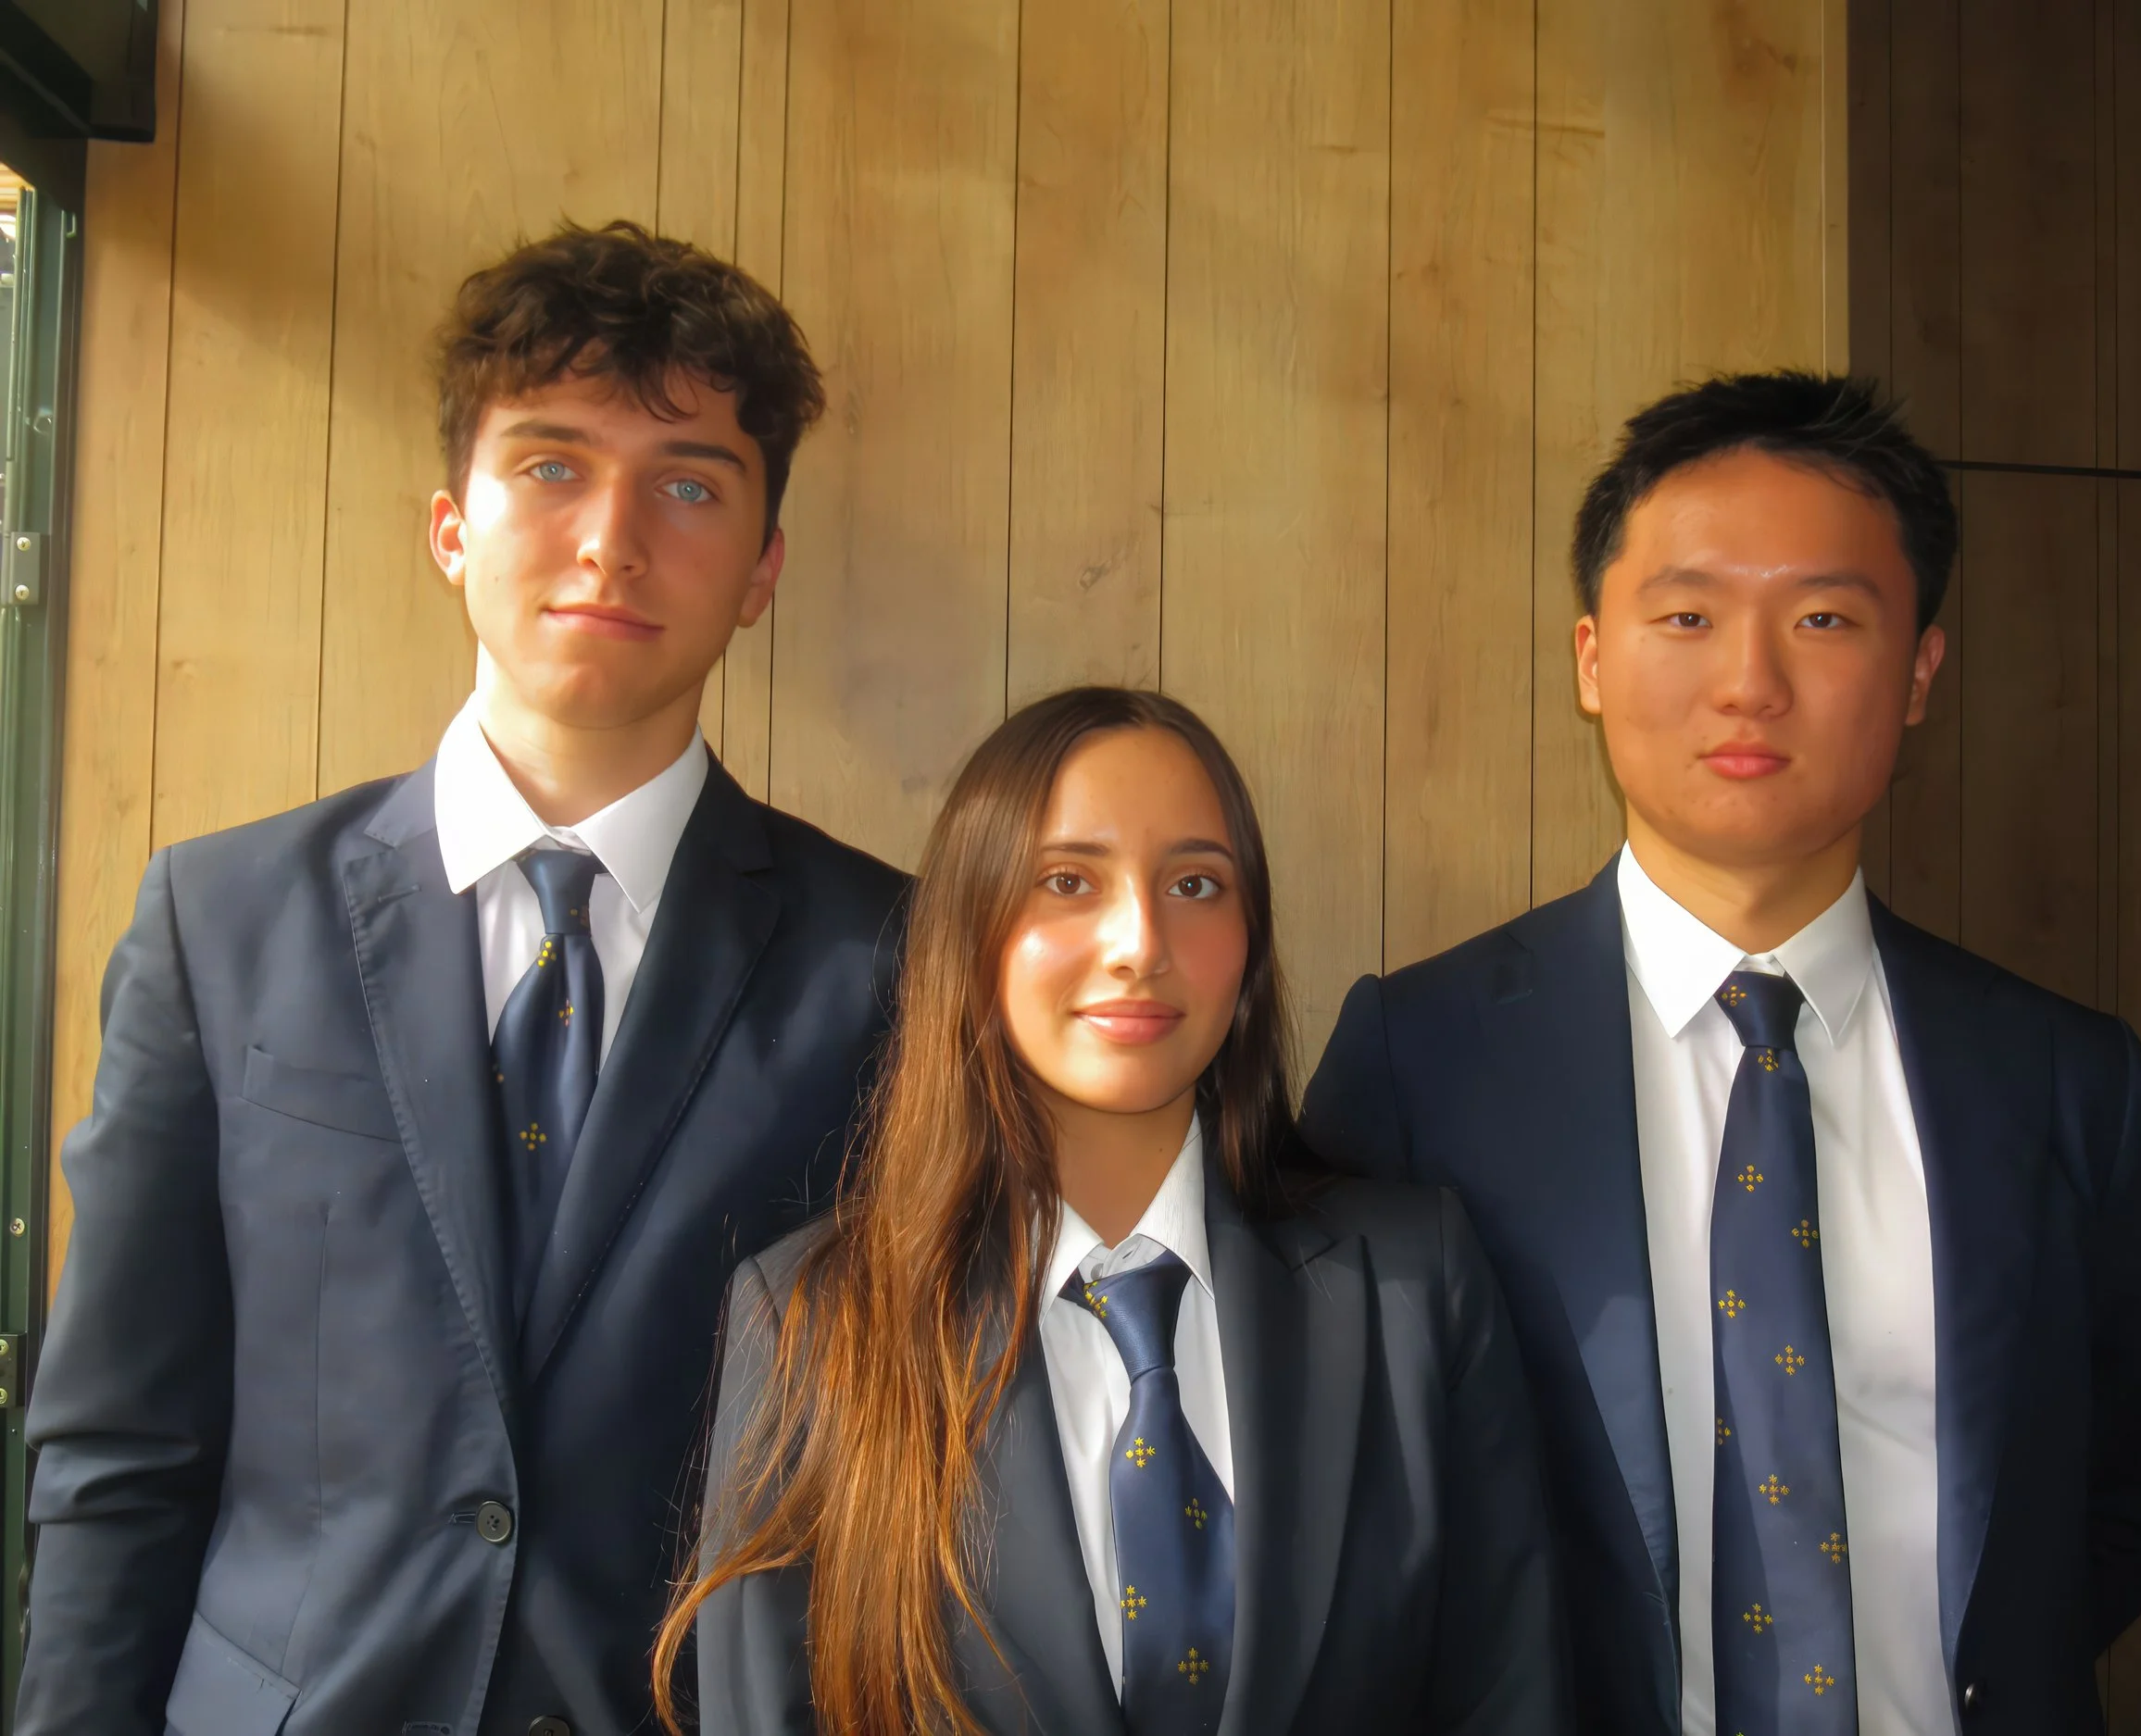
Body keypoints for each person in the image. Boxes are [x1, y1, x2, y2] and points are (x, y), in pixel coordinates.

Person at [19, 222, 908, 1736]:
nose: (612, 538)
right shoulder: (219, 923)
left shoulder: (887, 959)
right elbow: (120, 1450)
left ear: (762, 570)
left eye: (690, 484)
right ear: (450, 526)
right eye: (552, 465)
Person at [1302, 373, 2141, 1736]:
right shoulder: (1420, 1061)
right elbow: (1350, 1497)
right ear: (1592, 661)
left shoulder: (2071, 1081)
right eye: (1688, 616)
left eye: (1824, 618)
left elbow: (2130, 1486)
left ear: (1919, 673)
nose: (1749, 683)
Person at [660, 685, 1567, 1736]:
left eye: (1194, 883)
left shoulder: (1411, 1288)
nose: (1140, 941)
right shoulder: (816, 1324)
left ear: (1250, 941)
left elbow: (1508, 1696)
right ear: (973, 928)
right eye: (1067, 881)